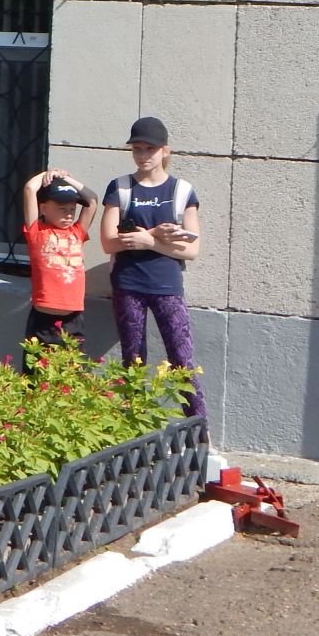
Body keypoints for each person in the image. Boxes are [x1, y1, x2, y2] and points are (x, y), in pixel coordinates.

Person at [99, 115, 207, 423]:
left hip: (167, 285)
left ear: (165, 151)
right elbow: (108, 243)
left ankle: (199, 431)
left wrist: (149, 241)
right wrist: (148, 238)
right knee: (133, 361)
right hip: (128, 284)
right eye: (137, 149)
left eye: (150, 148)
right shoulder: (120, 188)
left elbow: (193, 249)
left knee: (182, 360)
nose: (144, 155)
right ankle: (133, 430)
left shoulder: (182, 190)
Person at [19, 170, 96, 348]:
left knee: (71, 371)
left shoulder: (77, 232)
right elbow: (30, 189)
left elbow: (92, 199)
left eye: (72, 209)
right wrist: (48, 174)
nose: (69, 215)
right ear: (44, 208)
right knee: (36, 370)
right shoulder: (37, 232)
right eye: (61, 209)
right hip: (43, 320)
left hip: (73, 319)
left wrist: (66, 177)